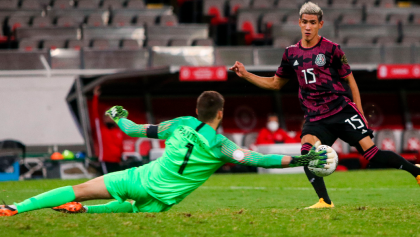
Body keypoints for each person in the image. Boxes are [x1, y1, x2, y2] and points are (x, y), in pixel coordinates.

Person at [0, 91, 332, 216]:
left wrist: (118, 114)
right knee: (135, 212)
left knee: (79, 189)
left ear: (197, 109)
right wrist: (305, 159)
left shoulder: (178, 123)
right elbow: (259, 159)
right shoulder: (221, 145)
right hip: (162, 200)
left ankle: (15, 208)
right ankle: (86, 212)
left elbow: (132, 129)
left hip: (138, 177)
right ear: (219, 114)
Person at [229, 2, 420, 209]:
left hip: (341, 110)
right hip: (315, 116)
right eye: (304, 22)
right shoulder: (291, 53)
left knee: (371, 154)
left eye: (312, 22)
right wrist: (246, 75)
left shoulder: (332, 49)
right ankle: (324, 201)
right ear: (299, 23)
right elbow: (275, 83)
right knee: (307, 153)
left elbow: (351, 81)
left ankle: (416, 172)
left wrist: (361, 112)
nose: (308, 27)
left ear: (320, 24)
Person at [92, 85, 124, 174]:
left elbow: (120, 147)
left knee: (117, 184)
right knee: (107, 183)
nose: (109, 119)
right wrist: (95, 96)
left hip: (117, 162)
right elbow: (95, 113)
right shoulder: (101, 130)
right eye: (107, 117)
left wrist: (121, 157)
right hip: (105, 161)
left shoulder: (118, 131)